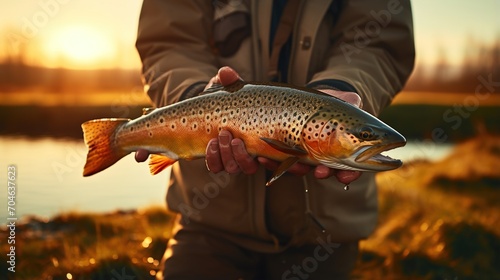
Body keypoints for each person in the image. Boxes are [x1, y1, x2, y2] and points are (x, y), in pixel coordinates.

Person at [135, 0, 415, 279]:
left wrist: (345, 86)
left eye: (363, 136)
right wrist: (194, 97)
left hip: (324, 234)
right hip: (207, 220)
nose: (366, 140)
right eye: (364, 136)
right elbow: (167, 41)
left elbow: (381, 43)